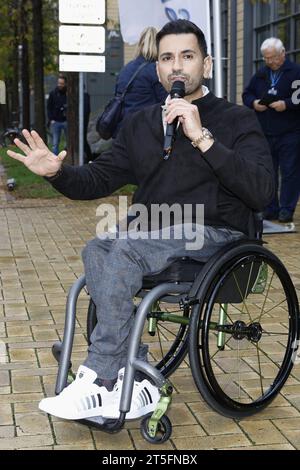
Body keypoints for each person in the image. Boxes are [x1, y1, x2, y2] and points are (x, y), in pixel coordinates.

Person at [7, 20, 274, 422]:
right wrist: (55, 173)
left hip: (220, 236)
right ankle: (137, 372)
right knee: (98, 246)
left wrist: (203, 138)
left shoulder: (236, 120)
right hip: (156, 235)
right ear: (157, 70)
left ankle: (102, 374)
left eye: (188, 56)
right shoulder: (142, 124)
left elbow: (262, 191)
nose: (177, 67)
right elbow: (98, 178)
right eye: (167, 58)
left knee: (128, 245)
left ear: (208, 64)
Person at [242, 38, 300, 223]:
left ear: (283, 53)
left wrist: (287, 104)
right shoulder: (261, 74)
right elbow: (247, 94)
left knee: (290, 171)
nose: (270, 61)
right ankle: (271, 208)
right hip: (266, 132)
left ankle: (286, 209)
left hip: (290, 132)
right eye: (266, 58)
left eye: (273, 57)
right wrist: (254, 103)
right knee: (269, 171)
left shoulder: (295, 72)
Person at [111, 26, 167, 138]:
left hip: (122, 130)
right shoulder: (156, 70)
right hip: (146, 131)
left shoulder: (126, 68)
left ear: (140, 44)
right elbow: (165, 102)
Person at [47, 75, 67, 155]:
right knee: (55, 143)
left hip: (66, 120)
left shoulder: (68, 93)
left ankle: (66, 157)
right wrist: (51, 119)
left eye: (62, 83)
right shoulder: (53, 93)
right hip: (56, 121)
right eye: (59, 83)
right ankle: (55, 159)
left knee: (68, 142)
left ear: (65, 84)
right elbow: (49, 107)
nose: (60, 85)